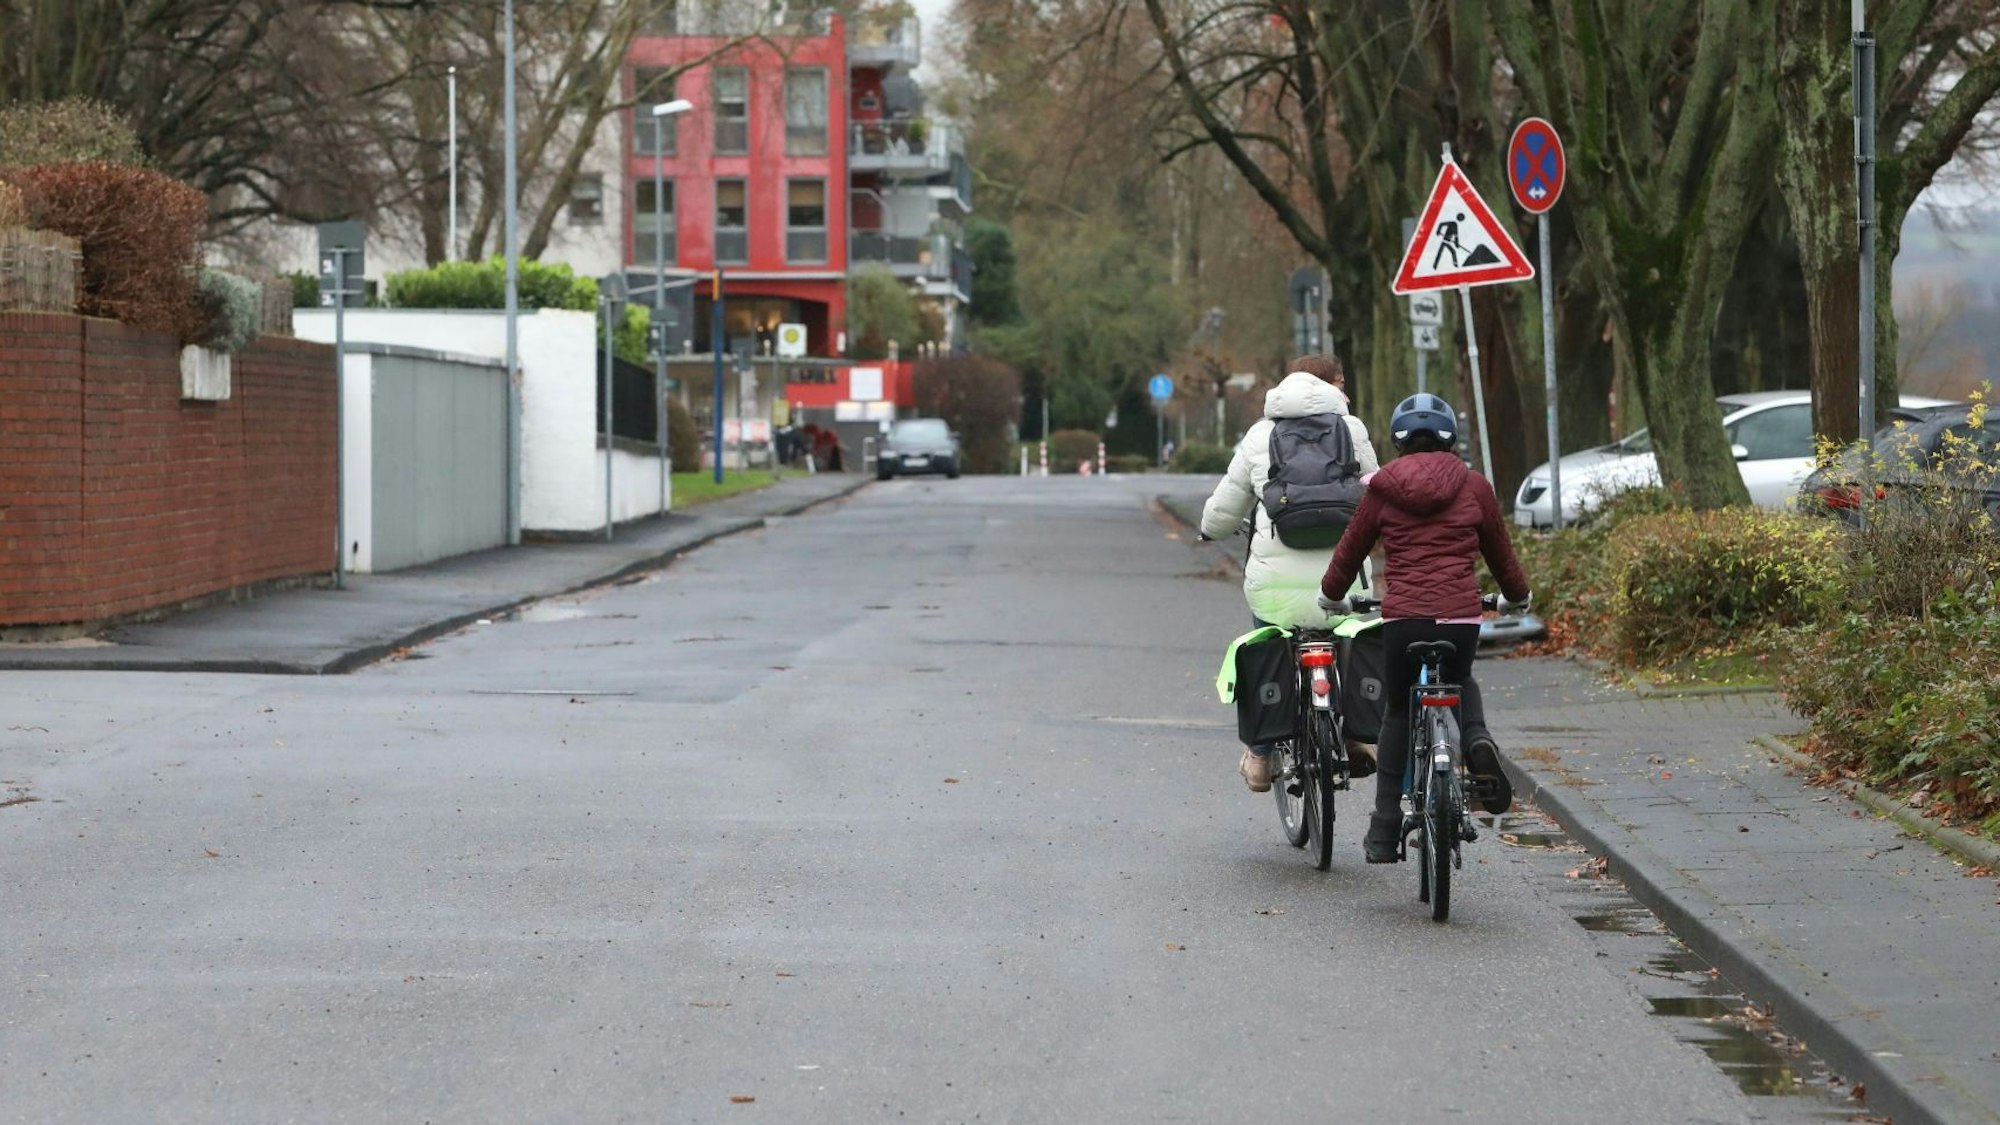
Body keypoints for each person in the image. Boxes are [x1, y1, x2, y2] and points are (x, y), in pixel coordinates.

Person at [1315, 392, 1531, 863]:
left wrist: (1331, 595)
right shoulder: (1475, 486)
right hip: (1460, 616)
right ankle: (1475, 739)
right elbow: (1500, 552)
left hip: (1404, 619)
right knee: (1463, 677)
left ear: (1398, 441)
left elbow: (1350, 552)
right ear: (1451, 437)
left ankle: (1384, 829)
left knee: (1397, 709)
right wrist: (1518, 594)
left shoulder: (1381, 489)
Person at [1199, 354, 1380, 793]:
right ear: (1329, 388)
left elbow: (1224, 510)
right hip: (1345, 580)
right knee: (1354, 634)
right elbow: (1377, 491)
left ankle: (1260, 757)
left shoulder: (1260, 435)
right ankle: (1358, 735)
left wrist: (1208, 530)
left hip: (1275, 587)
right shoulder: (1351, 429)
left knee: (1268, 642)